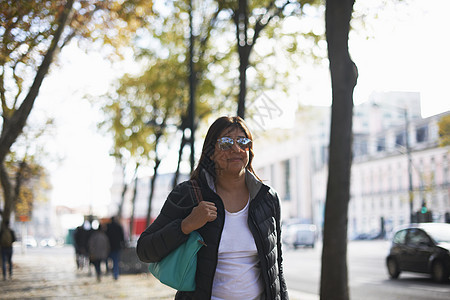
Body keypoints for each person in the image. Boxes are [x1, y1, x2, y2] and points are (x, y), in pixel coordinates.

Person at [137, 116, 289, 299]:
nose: (236, 149)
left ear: (250, 149)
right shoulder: (189, 194)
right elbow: (144, 249)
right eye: (225, 143)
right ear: (211, 153)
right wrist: (186, 225)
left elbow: (276, 265)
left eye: (243, 141)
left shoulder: (267, 198)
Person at [106, 216, 125, 280]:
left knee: (108, 260)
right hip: (117, 246)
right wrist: (123, 245)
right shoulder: (118, 227)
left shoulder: (108, 227)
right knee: (116, 260)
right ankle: (116, 274)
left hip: (109, 246)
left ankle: (109, 271)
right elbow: (122, 237)